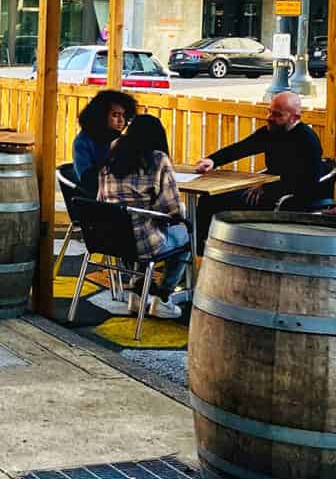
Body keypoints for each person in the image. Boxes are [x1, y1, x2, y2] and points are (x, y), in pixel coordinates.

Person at [192, 91, 327, 241]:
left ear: (295, 118)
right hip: (268, 189)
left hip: (290, 199)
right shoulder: (271, 132)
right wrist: (212, 160)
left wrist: (268, 187)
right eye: (269, 112)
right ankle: (202, 246)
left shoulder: (307, 140)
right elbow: (241, 148)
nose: (269, 118)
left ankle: (208, 247)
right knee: (209, 198)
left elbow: (308, 181)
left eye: (277, 115)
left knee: (212, 201)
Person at [98, 113, 190, 319]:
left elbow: (101, 198)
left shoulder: (112, 155)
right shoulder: (158, 159)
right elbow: (171, 210)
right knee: (185, 237)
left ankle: (138, 293)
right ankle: (163, 297)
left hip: (109, 239)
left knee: (139, 226)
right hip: (142, 242)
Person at [72, 89, 137, 194]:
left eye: (124, 116)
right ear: (101, 115)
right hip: (94, 199)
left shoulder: (123, 140)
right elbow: (87, 181)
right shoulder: (82, 142)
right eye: (115, 115)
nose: (121, 120)